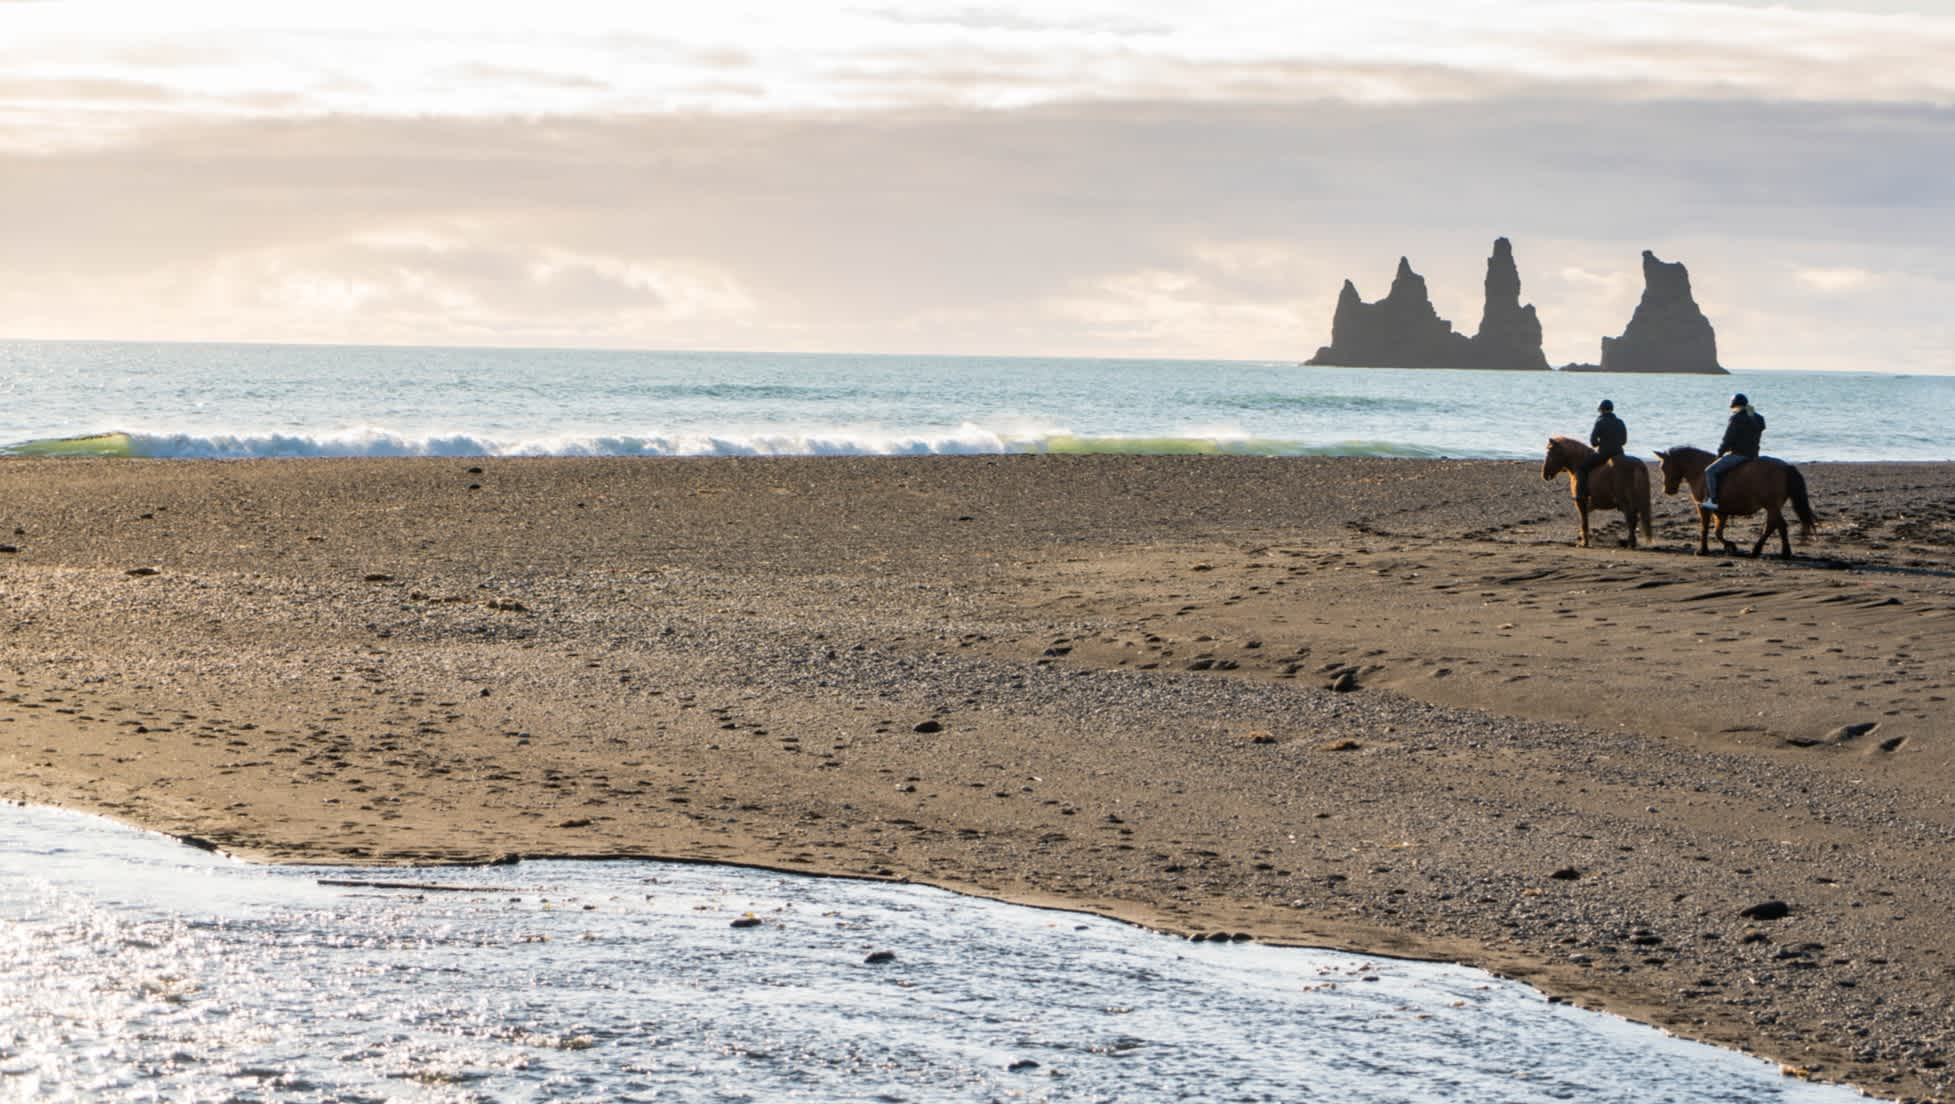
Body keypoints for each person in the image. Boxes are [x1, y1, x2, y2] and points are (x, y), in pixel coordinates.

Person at [1702, 393, 1765, 512]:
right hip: (1753, 455)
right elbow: (1760, 427)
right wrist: (1751, 413)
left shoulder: (1735, 418)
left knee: (1710, 471)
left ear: (1734, 406)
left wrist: (1719, 454)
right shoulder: (1758, 417)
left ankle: (1713, 501)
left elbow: (1727, 439)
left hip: (1738, 455)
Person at [1575, 399, 1627, 505]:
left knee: (1581, 468)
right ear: (1612, 409)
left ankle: (1581, 494)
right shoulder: (1620, 422)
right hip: (1619, 454)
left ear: (1601, 410)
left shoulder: (1600, 422)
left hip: (1604, 454)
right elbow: (1623, 441)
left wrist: (1601, 444)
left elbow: (1593, 442)